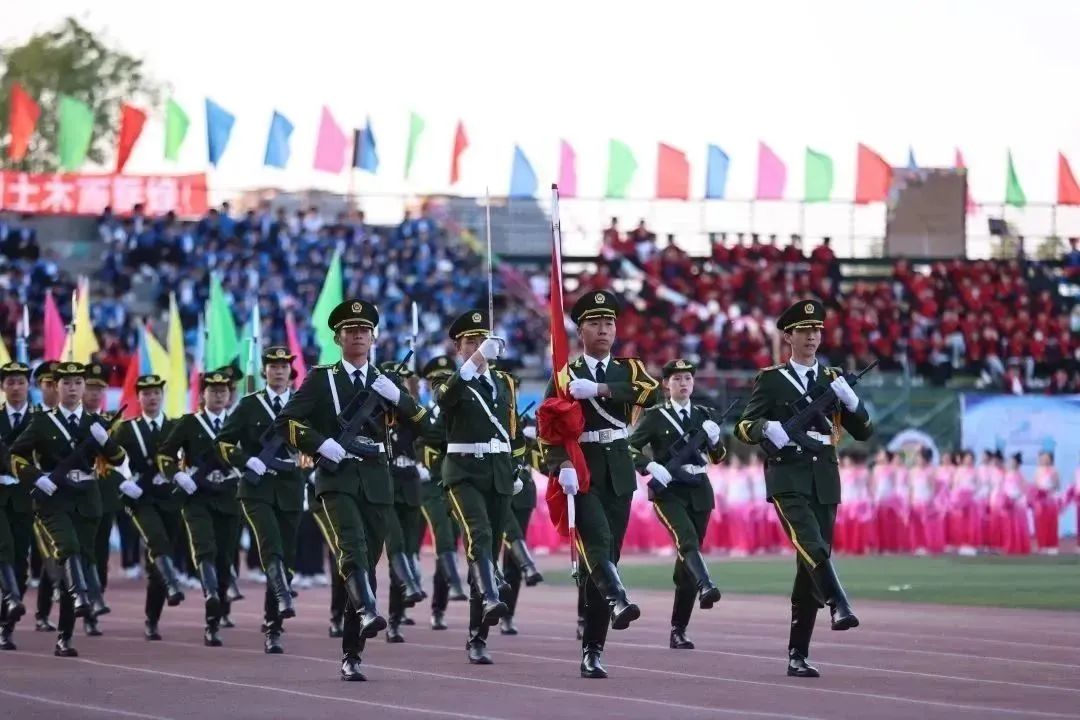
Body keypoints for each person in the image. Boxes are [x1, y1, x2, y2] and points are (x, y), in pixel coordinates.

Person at [275, 298, 426, 681]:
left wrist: (400, 398)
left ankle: (352, 650)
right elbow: (287, 421)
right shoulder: (321, 378)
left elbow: (426, 426)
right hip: (337, 478)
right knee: (353, 548)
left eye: (364, 330)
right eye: (350, 330)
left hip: (377, 481)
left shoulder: (385, 381)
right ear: (338, 338)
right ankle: (367, 613)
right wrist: (319, 443)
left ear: (373, 337)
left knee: (366, 564)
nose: (357, 335)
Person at [734, 299, 874, 678]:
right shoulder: (772, 379)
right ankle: (838, 603)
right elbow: (744, 427)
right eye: (804, 330)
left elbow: (864, 431)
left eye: (816, 331)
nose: (812, 336)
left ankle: (798, 653)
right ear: (788, 336)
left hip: (824, 476)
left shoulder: (833, 378)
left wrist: (853, 403)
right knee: (811, 544)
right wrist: (767, 428)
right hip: (787, 475)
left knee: (809, 563)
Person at [541, 289, 662, 679]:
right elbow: (547, 429)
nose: (604, 329)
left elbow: (653, 392)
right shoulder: (564, 374)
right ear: (581, 331)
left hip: (619, 472)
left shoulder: (629, 369)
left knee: (606, 557)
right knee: (596, 544)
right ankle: (619, 600)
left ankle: (593, 650)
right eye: (595, 323)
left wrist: (601, 389)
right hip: (583, 471)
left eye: (609, 323)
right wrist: (560, 466)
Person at [9, 361, 129, 657]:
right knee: (68, 548)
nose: (73, 388)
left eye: (78, 383)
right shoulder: (42, 422)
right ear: (57, 387)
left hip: (87, 500)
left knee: (79, 562)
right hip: (53, 500)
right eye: (66, 383)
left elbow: (118, 459)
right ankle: (81, 596)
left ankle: (65, 637)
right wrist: (36, 477)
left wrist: (105, 441)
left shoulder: (94, 423)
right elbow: (15, 456)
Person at [437, 309, 524, 665]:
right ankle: (491, 595)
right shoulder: (452, 379)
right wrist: (474, 362)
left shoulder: (504, 381)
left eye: (482, 341)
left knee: (487, 550)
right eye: (470, 342)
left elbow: (512, 430)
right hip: (463, 471)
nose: (477, 347)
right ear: (458, 348)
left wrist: (517, 466)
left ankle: (478, 636)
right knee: (479, 534)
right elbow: (443, 400)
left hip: (498, 471)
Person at [628, 358, 726, 650]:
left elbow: (718, 457)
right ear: (666, 384)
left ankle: (678, 629)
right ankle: (706, 584)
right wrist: (649, 466)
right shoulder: (655, 416)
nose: (683, 383)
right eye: (677, 379)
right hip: (669, 491)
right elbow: (629, 447)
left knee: (687, 561)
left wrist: (715, 440)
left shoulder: (704, 415)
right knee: (687, 542)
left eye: (688, 378)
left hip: (699, 489)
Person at [217, 347, 305, 654]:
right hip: (257, 489)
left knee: (286, 556)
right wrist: (246, 461)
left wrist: (309, 464)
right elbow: (224, 442)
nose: (279, 371)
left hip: (291, 488)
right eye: (273, 366)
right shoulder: (249, 405)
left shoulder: (301, 404)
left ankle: (273, 622)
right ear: (264, 371)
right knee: (271, 545)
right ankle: (280, 607)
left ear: (290, 371)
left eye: (283, 366)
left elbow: (315, 441)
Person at [157, 370, 241, 647]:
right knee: (205, 549)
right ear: (202, 394)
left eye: (223, 391)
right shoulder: (189, 423)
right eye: (212, 390)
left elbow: (249, 452)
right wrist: (177, 476)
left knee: (225, 558)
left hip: (228, 496)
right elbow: (165, 454)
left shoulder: (237, 422)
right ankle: (210, 598)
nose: (218, 395)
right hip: (197, 497)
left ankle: (216, 614)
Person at [112, 374, 187, 640]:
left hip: (169, 498)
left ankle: (152, 619)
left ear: (162, 396)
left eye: (156, 393)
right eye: (146, 393)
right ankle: (173, 583)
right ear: (139, 397)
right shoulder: (127, 429)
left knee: (158, 562)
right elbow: (109, 461)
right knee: (156, 541)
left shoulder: (175, 426)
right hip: (141, 498)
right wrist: (123, 483)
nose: (152, 398)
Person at [376, 360, 427, 643]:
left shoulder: (409, 414)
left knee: (406, 550)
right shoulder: (372, 414)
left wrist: (405, 398)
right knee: (395, 546)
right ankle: (409, 586)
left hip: (410, 487)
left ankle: (395, 619)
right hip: (384, 487)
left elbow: (427, 425)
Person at [415, 355, 467, 631]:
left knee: (451, 541)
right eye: (435, 381)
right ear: (427, 385)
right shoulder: (419, 414)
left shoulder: (459, 412)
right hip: (429, 484)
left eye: (446, 380)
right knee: (441, 535)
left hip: (454, 483)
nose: (440, 385)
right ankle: (454, 584)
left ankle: (439, 607)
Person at [498, 392, 544, 636]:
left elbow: (542, 463)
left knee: (511, 561)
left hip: (523, 495)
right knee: (489, 552)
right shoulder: (492, 420)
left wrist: (535, 439)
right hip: (497, 490)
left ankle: (507, 614)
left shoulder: (526, 427)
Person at [0, 362, 34, 650]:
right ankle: (9, 602)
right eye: (10, 382)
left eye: (21, 382)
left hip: (24, 497)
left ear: (28, 386)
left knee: (21, 563)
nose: (16, 387)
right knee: (3, 551)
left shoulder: (40, 421)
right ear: (2, 387)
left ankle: (7, 623)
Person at [81, 362, 115, 637]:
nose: (94, 394)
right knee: (78, 552)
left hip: (104, 496)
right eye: (90, 388)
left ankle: (94, 606)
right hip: (75, 495)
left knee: (100, 554)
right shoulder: (73, 421)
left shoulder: (111, 422)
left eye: (99, 389)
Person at [29, 361, 59, 633]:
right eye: (48, 384)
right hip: (27, 493)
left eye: (56, 384)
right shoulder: (31, 417)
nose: (54, 390)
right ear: (39, 387)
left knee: (55, 550)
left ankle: (43, 613)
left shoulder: (68, 418)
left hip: (58, 495)